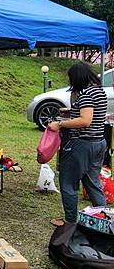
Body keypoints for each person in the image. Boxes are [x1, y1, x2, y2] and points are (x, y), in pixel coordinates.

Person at [48, 62, 108, 225]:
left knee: (68, 182)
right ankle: (104, 218)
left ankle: (70, 222)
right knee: (92, 181)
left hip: (82, 145)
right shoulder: (99, 91)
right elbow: (92, 115)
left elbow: (85, 120)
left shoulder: (87, 94)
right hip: (99, 142)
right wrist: (73, 111)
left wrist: (59, 124)